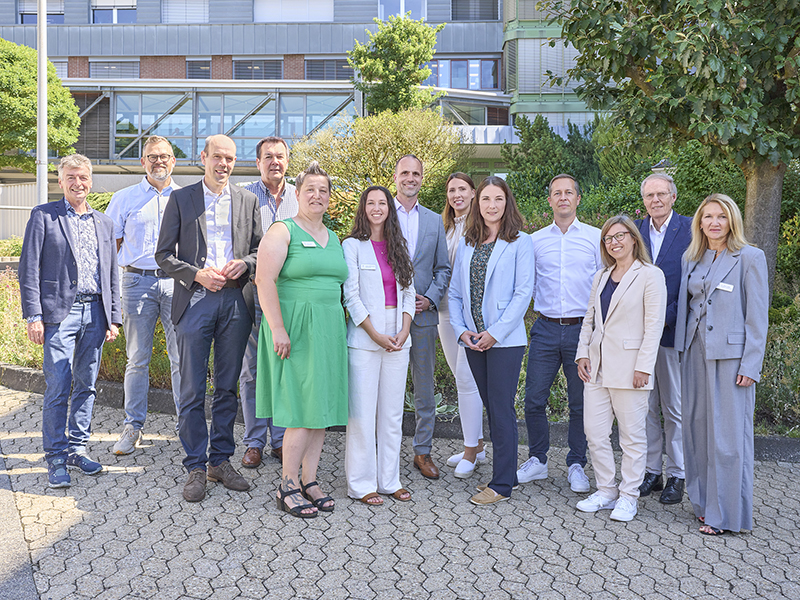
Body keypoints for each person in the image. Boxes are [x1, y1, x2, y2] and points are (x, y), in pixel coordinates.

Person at [155, 134, 262, 502]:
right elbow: (163, 255)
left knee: (228, 387)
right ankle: (195, 466)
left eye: (230, 158)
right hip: (196, 299)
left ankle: (219, 460)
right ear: (203, 157)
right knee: (192, 389)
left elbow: (260, 250)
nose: (224, 164)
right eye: (217, 157)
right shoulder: (181, 199)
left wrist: (244, 264)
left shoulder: (248, 200)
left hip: (236, 302)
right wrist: (196, 274)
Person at [19, 154, 121, 488]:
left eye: (84, 177)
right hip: (58, 316)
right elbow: (29, 269)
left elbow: (111, 273)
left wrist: (113, 318)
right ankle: (56, 458)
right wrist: (34, 315)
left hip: (95, 313)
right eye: (71, 178)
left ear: (91, 181)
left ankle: (78, 449)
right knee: (59, 384)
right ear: (61, 181)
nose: (78, 183)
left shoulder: (104, 222)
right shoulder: (44, 216)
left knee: (87, 384)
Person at [255, 161, 348, 518]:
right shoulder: (283, 230)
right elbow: (264, 281)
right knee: (300, 406)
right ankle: (287, 484)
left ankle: (310, 480)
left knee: (320, 406)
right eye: (310, 189)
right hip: (295, 328)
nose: (317, 195)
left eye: (323, 190)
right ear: (297, 194)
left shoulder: (334, 236)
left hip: (328, 329)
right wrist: (278, 328)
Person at [675, 194, 768, 535]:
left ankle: (726, 515)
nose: (714, 223)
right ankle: (703, 505)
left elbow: (758, 317)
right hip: (694, 354)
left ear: (732, 222)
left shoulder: (750, 258)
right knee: (697, 432)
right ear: (699, 222)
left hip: (731, 360)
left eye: (721, 217)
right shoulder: (692, 258)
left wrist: (751, 365)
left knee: (728, 439)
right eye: (708, 216)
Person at [449, 176, 534, 505]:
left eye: (498, 199)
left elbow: (522, 293)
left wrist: (494, 333)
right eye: (486, 199)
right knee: (492, 407)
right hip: (472, 340)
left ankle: (501, 485)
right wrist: (461, 331)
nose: (492, 205)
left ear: (507, 202)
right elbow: (456, 293)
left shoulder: (520, 242)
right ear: (477, 203)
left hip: (505, 341)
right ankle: (506, 472)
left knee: (501, 410)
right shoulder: (469, 242)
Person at [575, 215, 666, 522]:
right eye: (608, 239)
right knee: (595, 432)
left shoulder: (650, 275)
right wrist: (582, 354)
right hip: (597, 367)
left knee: (632, 437)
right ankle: (606, 489)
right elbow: (589, 319)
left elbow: (654, 326)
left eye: (619, 236)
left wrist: (644, 366)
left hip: (630, 369)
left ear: (633, 238)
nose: (614, 242)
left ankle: (629, 496)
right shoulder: (602, 275)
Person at [518, 174, 601, 493]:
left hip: (582, 331)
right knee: (533, 399)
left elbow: (602, 286)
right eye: (556, 193)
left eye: (569, 192)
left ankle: (577, 463)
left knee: (581, 403)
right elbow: (528, 283)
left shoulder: (595, 238)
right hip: (546, 328)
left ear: (578, 199)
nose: (563, 197)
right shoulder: (534, 240)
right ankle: (538, 460)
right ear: (550, 200)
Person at [106, 135, 182, 455]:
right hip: (137, 284)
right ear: (143, 162)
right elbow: (112, 246)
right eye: (152, 157)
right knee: (137, 359)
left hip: (178, 285)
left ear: (173, 161)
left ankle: (185, 427)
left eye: (164, 156)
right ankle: (132, 426)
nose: (159, 161)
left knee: (182, 359)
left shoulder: (186, 197)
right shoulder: (125, 198)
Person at [343, 186, 416, 505]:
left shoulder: (400, 245)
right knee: (362, 415)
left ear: (389, 208)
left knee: (391, 415)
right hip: (364, 337)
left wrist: (403, 329)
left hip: (399, 338)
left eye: (382, 203)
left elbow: (410, 293)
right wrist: (374, 333)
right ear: (364, 208)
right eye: (370, 203)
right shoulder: (352, 246)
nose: (376, 208)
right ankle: (361, 484)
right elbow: (351, 296)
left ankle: (389, 479)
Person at [239, 136, 298, 468]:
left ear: (287, 161)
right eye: (268, 157)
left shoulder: (300, 195)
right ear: (258, 162)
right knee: (251, 370)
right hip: (250, 293)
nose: (275, 162)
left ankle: (281, 439)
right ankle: (254, 441)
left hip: (289, 298)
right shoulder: (244, 195)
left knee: (283, 368)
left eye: (280, 156)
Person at [634, 173, 692, 504]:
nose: (655, 200)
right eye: (649, 195)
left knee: (674, 408)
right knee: (645, 407)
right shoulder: (637, 232)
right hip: (639, 337)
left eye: (661, 194)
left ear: (673, 196)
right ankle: (652, 471)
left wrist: (661, 319)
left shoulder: (688, 229)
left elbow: (691, 281)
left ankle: (679, 475)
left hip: (671, 332)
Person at [393, 155, 451, 479]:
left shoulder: (433, 221)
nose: (410, 178)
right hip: (388, 317)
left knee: (424, 389)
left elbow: (443, 267)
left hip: (423, 317)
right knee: (386, 387)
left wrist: (430, 298)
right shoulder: (382, 214)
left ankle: (423, 451)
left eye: (416, 173)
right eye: (405, 172)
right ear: (396, 176)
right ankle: (384, 453)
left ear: (422, 178)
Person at [438, 173, 485, 479]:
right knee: (461, 380)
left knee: (469, 382)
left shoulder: (479, 228)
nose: (457, 194)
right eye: (452, 190)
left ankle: (471, 449)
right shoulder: (445, 228)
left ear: (472, 194)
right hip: (443, 311)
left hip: (467, 317)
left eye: (462, 190)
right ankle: (477, 445)